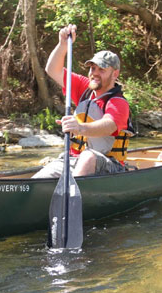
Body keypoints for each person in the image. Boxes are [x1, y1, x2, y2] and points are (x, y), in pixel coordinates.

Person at [32, 24, 134, 179]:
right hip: (73, 160)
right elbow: (52, 70)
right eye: (92, 68)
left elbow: (108, 125)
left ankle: (74, 191)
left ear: (115, 74)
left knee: (88, 156)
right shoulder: (83, 88)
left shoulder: (118, 102)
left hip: (109, 165)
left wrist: (80, 128)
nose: (95, 73)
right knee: (39, 179)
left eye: (101, 70)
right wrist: (62, 45)